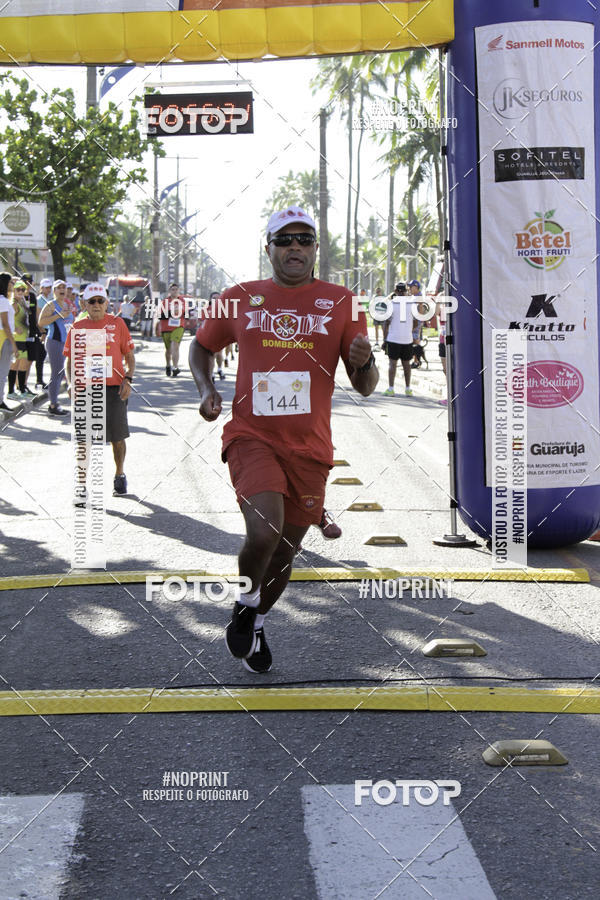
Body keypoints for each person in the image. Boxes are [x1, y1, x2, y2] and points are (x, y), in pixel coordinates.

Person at [190, 204, 377, 673]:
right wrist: (208, 389)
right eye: (285, 240)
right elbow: (200, 346)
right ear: (268, 248)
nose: (295, 247)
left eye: (304, 239)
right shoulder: (240, 298)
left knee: (286, 550)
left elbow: (365, 385)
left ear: (316, 248)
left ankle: (252, 616)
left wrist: (365, 359)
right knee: (265, 530)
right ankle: (246, 603)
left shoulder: (342, 301)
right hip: (252, 435)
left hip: (310, 448)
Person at [64, 283, 135, 497]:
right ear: (84, 304)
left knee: (117, 437)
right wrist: (70, 382)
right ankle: (82, 484)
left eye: (100, 301)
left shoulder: (117, 323)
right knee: (84, 438)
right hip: (85, 389)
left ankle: (119, 475)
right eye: (91, 301)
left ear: (107, 304)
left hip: (114, 388)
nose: (96, 305)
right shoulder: (77, 327)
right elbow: (69, 362)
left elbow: (130, 357)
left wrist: (128, 379)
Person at [38, 279, 74, 416]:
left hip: (65, 343)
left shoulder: (67, 304)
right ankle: (53, 405)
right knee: (57, 373)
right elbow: (41, 322)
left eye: (64, 287)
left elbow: (70, 323)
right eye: (59, 287)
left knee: (62, 374)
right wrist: (58, 315)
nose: (62, 289)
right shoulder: (51, 305)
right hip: (55, 341)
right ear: (54, 291)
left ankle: (54, 402)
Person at [382, 282, 416, 397]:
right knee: (407, 365)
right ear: (406, 291)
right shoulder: (412, 304)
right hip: (407, 339)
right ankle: (408, 389)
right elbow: (417, 321)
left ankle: (391, 389)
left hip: (393, 338)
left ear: (395, 291)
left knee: (392, 364)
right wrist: (408, 330)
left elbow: (385, 324)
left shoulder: (391, 304)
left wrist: (384, 339)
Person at [6, 281, 35, 400]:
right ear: (13, 291)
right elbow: (5, 320)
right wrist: (14, 328)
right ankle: (11, 391)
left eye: (23, 290)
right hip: (16, 339)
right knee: (14, 365)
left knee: (23, 364)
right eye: (18, 290)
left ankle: (22, 389)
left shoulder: (22, 303)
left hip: (23, 338)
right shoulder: (13, 304)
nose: (21, 292)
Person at [156, 282, 185, 376]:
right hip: (166, 328)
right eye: (173, 289)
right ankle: (168, 365)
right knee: (168, 350)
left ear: (179, 290)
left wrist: (172, 312)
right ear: (170, 291)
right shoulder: (164, 302)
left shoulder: (182, 301)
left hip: (178, 327)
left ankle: (175, 367)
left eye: (176, 289)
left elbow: (184, 312)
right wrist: (172, 312)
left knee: (175, 345)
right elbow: (160, 316)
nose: (175, 291)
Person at [0, 272, 18, 412]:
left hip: (4, 335)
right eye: (11, 282)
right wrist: (13, 344)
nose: (13, 284)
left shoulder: (5, 300)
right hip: (4, 337)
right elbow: (5, 324)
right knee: (3, 372)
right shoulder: (3, 301)